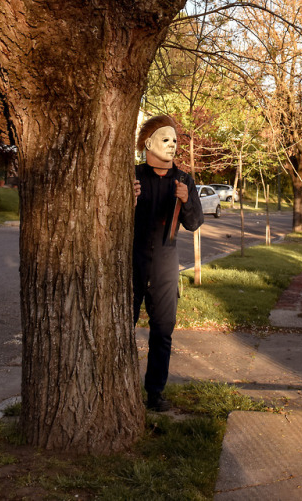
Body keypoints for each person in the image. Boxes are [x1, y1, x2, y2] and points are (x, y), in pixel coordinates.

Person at [133, 114, 203, 411]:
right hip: (131, 261)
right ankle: (121, 388)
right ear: (148, 143)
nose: (173, 145)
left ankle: (155, 392)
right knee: (121, 328)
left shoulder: (184, 179)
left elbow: (195, 222)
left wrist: (187, 200)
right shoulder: (131, 176)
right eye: (166, 139)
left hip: (165, 262)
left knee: (163, 330)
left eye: (175, 140)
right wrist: (127, 201)